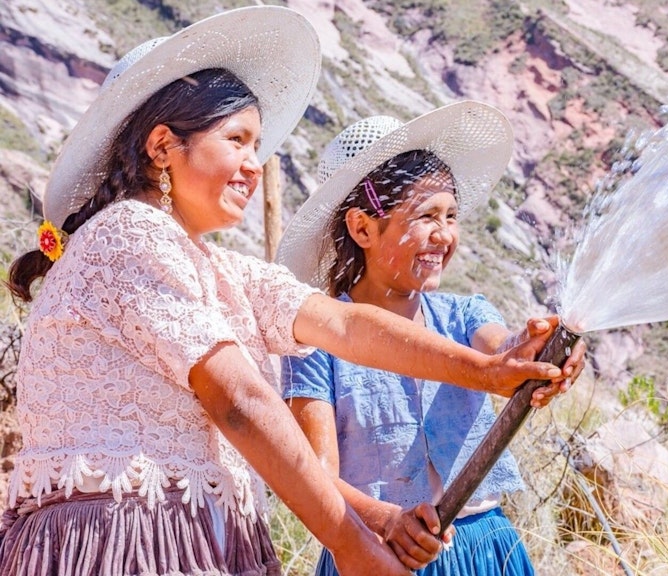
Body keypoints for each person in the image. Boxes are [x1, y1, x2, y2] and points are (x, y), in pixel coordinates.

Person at [0, 9, 566, 576]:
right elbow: (240, 402)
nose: (254, 163)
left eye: (257, 144)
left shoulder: (214, 265)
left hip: (182, 533)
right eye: (238, 140)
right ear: (163, 145)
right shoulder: (131, 234)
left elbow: (344, 324)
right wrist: (353, 546)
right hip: (126, 539)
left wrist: (489, 370)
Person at [275, 102, 587, 576]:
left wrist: (543, 348)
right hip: (377, 554)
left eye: (452, 216)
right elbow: (314, 473)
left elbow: (503, 348)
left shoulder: (465, 315)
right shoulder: (315, 339)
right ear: (362, 227)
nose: (444, 236)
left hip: (483, 548)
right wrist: (385, 520)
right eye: (426, 216)